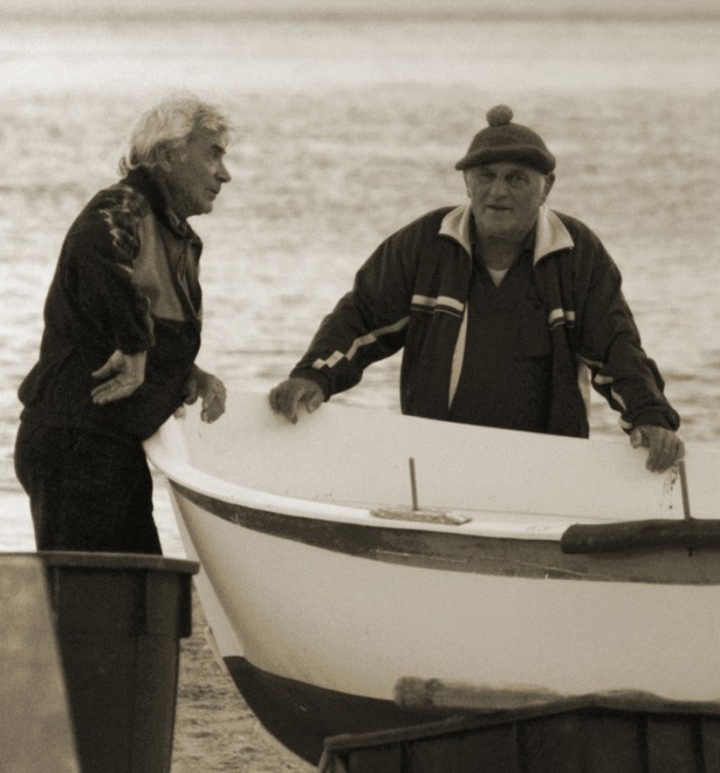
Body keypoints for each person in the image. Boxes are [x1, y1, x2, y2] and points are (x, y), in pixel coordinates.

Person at [269, 105, 683, 473]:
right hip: (437, 457)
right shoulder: (424, 244)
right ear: (468, 183)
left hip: (550, 467)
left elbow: (615, 347)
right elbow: (360, 318)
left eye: (517, 178)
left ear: (547, 186)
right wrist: (314, 376)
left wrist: (650, 418)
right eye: (486, 176)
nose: (498, 191)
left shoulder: (576, 252)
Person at [15, 95, 232, 553]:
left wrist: (183, 371)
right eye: (212, 153)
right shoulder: (123, 206)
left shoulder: (174, 233)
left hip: (109, 445)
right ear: (170, 154)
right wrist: (135, 347)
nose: (224, 173)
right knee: (93, 605)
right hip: (73, 441)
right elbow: (96, 253)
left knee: (135, 598)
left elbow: (137, 316)